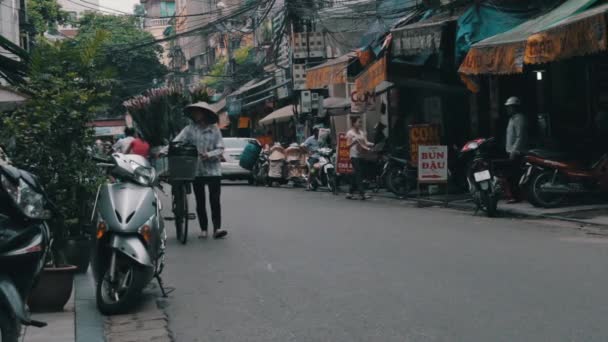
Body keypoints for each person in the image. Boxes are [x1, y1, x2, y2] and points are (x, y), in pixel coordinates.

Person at [172, 102, 228, 239]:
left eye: (198, 112)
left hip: (213, 170)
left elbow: (220, 148)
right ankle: (203, 229)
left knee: (215, 200)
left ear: (205, 114)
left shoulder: (215, 130)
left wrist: (208, 154)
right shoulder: (189, 129)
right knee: (200, 200)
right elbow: (177, 141)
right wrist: (163, 151)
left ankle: (217, 228)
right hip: (196, 170)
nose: (196, 115)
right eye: (194, 112)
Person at [504, 96, 528, 203]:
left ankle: (516, 196)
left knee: (514, 175)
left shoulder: (519, 118)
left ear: (515, 107)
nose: (508, 109)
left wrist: (514, 151)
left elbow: (520, 136)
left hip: (517, 152)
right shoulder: (512, 119)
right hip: (511, 151)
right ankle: (514, 195)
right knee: (511, 175)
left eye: (510, 107)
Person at [346, 116, 373, 200]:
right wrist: (354, 142)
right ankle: (362, 193)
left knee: (357, 174)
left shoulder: (361, 132)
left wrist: (372, 144)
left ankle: (350, 192)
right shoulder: (350, 133)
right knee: (358, 174)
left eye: (361, 122)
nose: (360, 124)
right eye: (359, 122)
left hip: (362, 155)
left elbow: (366, 142)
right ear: (354, 123)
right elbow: (347, 146)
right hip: (354, 156)